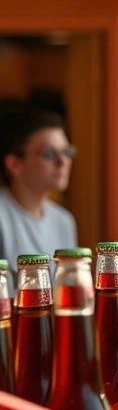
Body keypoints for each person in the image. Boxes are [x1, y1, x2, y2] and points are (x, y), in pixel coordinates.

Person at [0, 107, 77, 280]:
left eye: (67, 152)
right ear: (14, 164)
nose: (63, 161)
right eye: (49, 153)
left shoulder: (64, 222)